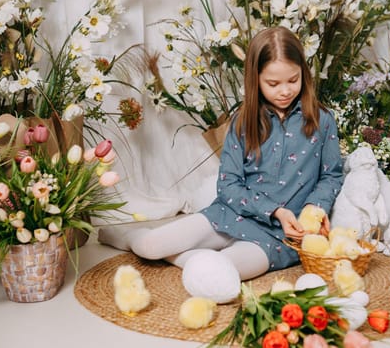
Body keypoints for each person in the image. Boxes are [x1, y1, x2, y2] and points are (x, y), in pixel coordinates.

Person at [99, 26, 343, 281]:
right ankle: (128, 238)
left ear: (303, 73)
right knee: (149, 247)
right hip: (230, 215)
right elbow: (228, 186)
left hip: (278, 236)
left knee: (219, 271)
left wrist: (315, 209)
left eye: (293, 80)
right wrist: (275, 211)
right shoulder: (242, 121)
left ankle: (196, 260)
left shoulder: (322, 120)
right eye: (273, 83)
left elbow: (331, 175)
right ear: (255, 79)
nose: (284, 91)